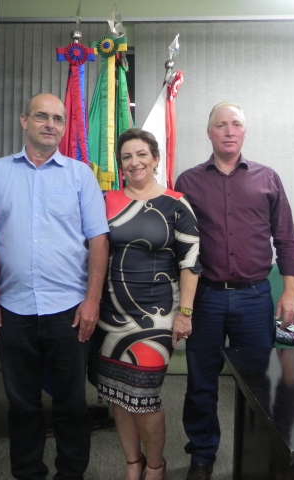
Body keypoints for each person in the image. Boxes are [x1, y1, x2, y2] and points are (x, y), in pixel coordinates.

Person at [174, 102, 294, 480]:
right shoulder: (188, 182)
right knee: (201, 383)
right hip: (207, 297)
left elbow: (286, 238)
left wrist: (290, 292)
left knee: (258, 383)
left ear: (244, 132)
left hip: (254, 298)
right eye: (221, 125)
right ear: (210, 133)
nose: (229, 131)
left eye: (235, 124)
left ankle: (259, 454)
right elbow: (178, 244)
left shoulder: (268, 178)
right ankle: (202, 456)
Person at [0, 93, 109, 480]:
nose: (50, 124)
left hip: (69, 310)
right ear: (24, 121)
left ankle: (71, 473)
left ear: (65, 126)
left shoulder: (80, 175)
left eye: (58, 118)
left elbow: (98, 241)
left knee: (71, 404)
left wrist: (92, 301)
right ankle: (28, 473)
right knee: (22, 405)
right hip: (12, 308)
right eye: (41, 116)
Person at [95, 128, 201, 480]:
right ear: (120, 164)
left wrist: (185, 313)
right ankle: (132, 463)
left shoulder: (176, 203)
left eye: (142, 154)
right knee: (119, 395)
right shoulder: (105, 200)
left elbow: (191, 262)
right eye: (126, 156)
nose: (134, 162)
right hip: (111, 315)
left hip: (156, 316)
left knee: (144, 396)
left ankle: (155, 465)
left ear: (156, 159)